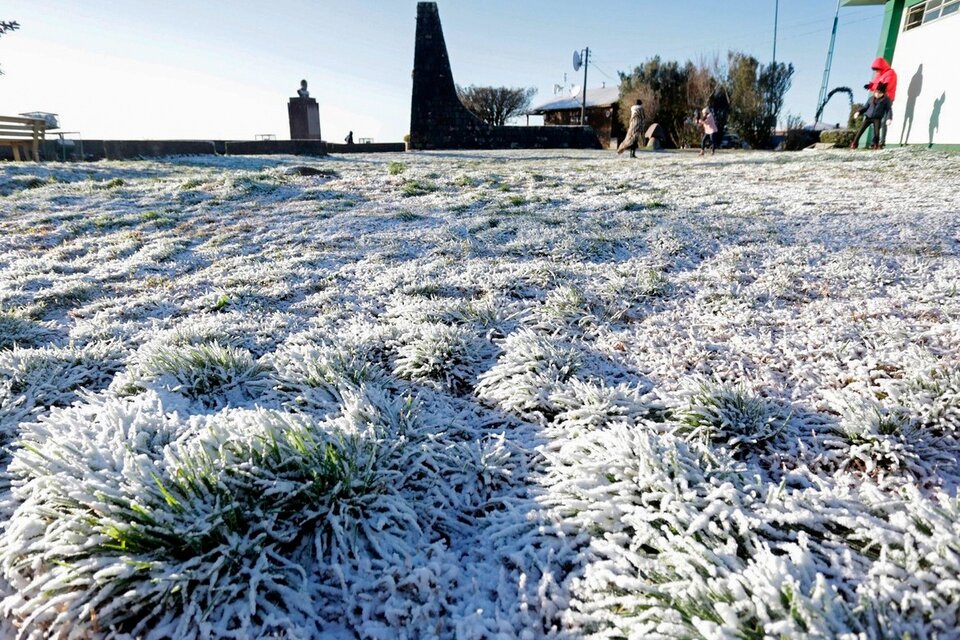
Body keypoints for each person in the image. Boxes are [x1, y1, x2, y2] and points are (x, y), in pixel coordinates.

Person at [864, 57, 897, 148]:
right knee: (874, 120)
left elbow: (886, 86)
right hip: (877, 99)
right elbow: (875, 84)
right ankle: (874, 141)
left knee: (883, 121)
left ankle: (882, 141)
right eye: (875, 70)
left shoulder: (891, 73)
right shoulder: (879, 74)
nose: (876, 71)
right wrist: (870, 86)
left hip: (887, 99)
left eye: (877, 69)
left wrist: (875, 87)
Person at [850, 85, 892, 150]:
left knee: (876, 132)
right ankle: (854, 143)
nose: (877, 94)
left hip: (877, 118)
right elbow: (865, 107)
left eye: (880, 93)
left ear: (883, 93)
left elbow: (888, 110)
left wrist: (889, 118)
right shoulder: (871, 99)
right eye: (876, 92)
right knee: (860, 130)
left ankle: (875, 144)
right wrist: (858, 112)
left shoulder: (885, 100)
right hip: (868, 117)